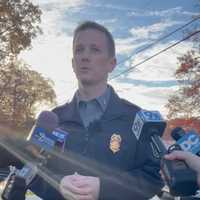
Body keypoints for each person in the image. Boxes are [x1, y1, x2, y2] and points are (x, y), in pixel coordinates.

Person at [30, 21, 164, 200]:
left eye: (95, 49)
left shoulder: (137, 119)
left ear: (112, 63)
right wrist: (57, 183)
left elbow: (153, 177)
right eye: (79, 50)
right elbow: (31, 170)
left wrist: (104, 188)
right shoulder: (53, 118)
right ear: (72, 63)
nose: (85, 56)